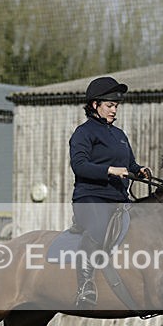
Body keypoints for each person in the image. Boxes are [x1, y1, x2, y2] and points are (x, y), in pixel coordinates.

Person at [69, 76, 150, 309]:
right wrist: (109, 170)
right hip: (90, 198)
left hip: (119, 199)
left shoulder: (119, 135)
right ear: (95, 105)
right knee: (98, 226)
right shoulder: (84, 133)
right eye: (110, 106)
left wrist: (140, 170)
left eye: (116, 106)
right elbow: (79, 165)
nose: (114, 110)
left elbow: (129, 164)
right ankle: (85, 285)